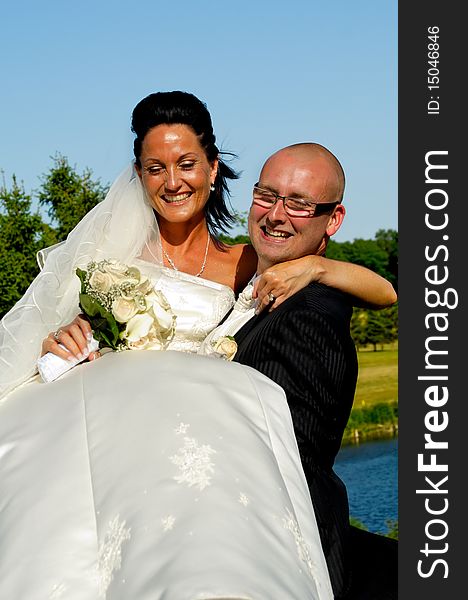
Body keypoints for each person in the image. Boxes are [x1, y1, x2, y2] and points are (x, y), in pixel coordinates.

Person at [0, 92, 395, 599]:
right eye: (154, 167)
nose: (173, 182)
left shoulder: (253, 262)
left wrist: (320, 265)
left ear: (212, 168)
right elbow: (67, 345)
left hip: (201, 460)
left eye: (186, 164)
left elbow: (385, 293)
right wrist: (61, 344)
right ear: (139, 175)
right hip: (119, 436)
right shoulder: (108, 262)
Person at [200, 143, 398, 599]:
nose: (276, 214)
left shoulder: (308, 316)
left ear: (333, 220)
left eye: (300, 204)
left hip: (270, 559)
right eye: (266, 195)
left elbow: (291, 466)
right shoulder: (249, 283)